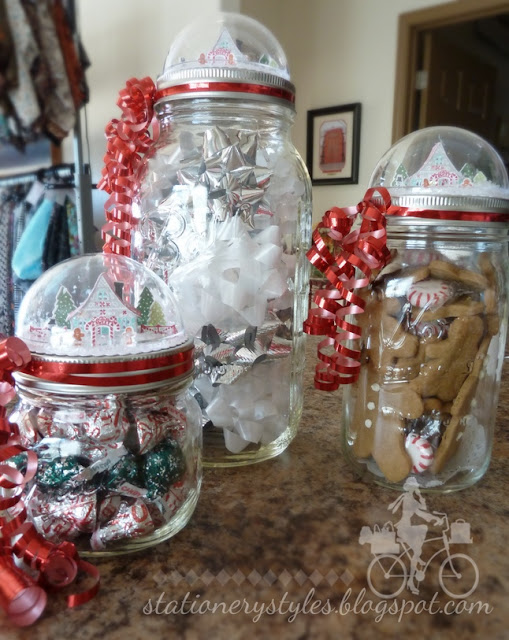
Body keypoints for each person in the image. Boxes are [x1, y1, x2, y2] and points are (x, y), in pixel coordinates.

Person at [388, 477, 443, 594]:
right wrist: (435, 518)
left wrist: (422, 500)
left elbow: (422, 511)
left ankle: (417, 555)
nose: (416, 488)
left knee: (423, 529)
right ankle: (410, 581)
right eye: (414, 487)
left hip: (404, 527)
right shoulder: (409, 499)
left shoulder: (409, 498)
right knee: (417, 551)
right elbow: (421, 513)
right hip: (404, 528)